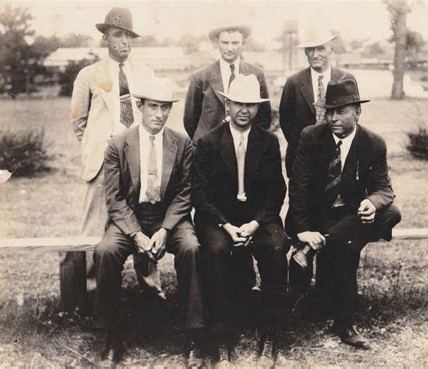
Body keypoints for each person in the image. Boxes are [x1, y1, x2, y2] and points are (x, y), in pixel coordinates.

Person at [94, 75, 204, 367]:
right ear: (140, 106)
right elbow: (115, 198)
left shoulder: (182, 143)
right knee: (105, 252)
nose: (159, 114)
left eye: (165, 108)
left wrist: (166, 229)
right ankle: (109, 336)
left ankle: (194, 335)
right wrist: (135, 234)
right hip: (130, 217)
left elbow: (185, 193)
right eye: (153, 107)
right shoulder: (118, 144)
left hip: (169, 217)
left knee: (191, 248)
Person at [287, 79, 401, 349]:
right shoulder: (311, 136)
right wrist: (303, 229)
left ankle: (314, 250)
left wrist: (372, 203)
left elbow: (384, 188)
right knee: (346, 246)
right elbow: (299, 186)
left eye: (340, 111)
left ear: (357, 112)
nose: (333, 118)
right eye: (329, 112)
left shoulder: (373, 143)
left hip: (351, 214)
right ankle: (344, 322)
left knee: (391, 212)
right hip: (318, 215)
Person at [192, 74, 289, 368]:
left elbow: (276, 190)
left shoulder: (269, 142)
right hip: (218, 220)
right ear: (227, 105)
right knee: (217, 251)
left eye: (251, 105)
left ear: (259, 109)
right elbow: (200, 194)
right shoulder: (208, 143)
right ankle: (221, 339)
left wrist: (256, 224)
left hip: (257, 220)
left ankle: (269, 335)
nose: (244, 110)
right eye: (238, 104)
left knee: (275, 246)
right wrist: (225, 225)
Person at [67, 7, 159, 304]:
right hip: (102, 165)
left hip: (139, 162)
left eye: (129, 36)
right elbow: (79, 121)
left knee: (144, 222)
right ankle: (93, 292)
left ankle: (150, 288)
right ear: (106, 37)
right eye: (118, 35)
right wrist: (100, 150)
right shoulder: (89, 75)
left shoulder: (144, 74)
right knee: (95, 228)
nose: (124, 42)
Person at [279, 29, 356, 177]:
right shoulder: (294, 82)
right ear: (305, 52)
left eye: (321, 48)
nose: (315, 55)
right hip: (302, 158)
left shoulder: (347, 79)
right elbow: (286, 121)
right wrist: (305, 145)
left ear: (331, 49)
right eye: (310, 49)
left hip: (338, 155)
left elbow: (352, 116)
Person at [184, 24, 271, 143]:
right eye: (225, 43)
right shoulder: (200, 77)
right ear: (216, 43)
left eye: (235, 43)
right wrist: (205, 142)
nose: (230, 48)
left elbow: (264, 117)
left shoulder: (256, 74)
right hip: (209, 149)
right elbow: (190, 120)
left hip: (243, 146)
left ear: (244, 43)